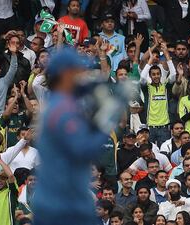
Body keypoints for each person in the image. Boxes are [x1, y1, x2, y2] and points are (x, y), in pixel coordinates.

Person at [33, 49, 127, 225]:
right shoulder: (62, 108)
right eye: (78, 71)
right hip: (62, 205)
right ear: (66, 73)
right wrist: (108, 117)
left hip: (61, 199)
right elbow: (84, 149)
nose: (83, 76)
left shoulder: (61, 102)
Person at [139, 45, 176, 146]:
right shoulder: (147, 88)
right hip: (150, 127)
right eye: (153, 74)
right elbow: (142, 77)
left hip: (164, 127)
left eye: (158, 74)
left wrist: (167, 55)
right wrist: (150, 61)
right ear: (150, 76)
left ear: (161, 75)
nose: (156, 76)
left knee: (164, 153)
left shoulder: (166, 87)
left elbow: (173, 75)